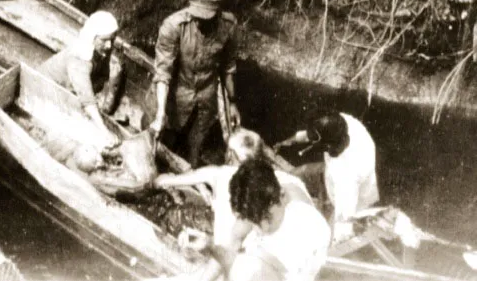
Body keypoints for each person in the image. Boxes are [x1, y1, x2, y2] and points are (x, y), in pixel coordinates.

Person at [155, 129, 314, 275]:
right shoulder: (267, 180)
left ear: (231, 155)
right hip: (248, 255)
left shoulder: (217, 174)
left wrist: (160, 179)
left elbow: (164, 182)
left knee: (173, 215)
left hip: (222, 254)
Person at [147, 0, 240, 167]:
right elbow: (163, 73)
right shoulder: (173, 25)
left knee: (195, 149)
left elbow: (228, 67)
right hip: (175, 96)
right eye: (197, 17)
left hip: (206, 98)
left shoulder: (229, 26)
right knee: (163, 146)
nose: (200, 22)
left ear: (218, 12)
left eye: (207, 18)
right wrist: (160, 114)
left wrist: (233, 102)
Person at [275, 111, 379, 243]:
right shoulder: (346, 123)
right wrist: (289, 141)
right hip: (333, 176)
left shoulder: (345, 178)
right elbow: (316, 133)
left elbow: (344, 225)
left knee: (318, 232)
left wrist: (335, 242)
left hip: (344, 200)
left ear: (327, 146)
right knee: (295, 175)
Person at [226, 159, 330, 281]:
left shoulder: (308, 229)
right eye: (255, 223)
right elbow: (232, 245)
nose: (262, 229)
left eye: (266, 218)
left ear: (283, 196)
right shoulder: (258, 208)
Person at [38, 10, 122, 146]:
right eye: (104, 40)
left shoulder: (102, 50)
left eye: (112, 39)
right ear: (92, 37)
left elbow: (102, 78)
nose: (109, 45)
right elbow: (87, 100)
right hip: (44, 89)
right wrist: (105, 132)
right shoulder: (79, 58)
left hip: (69, 91)